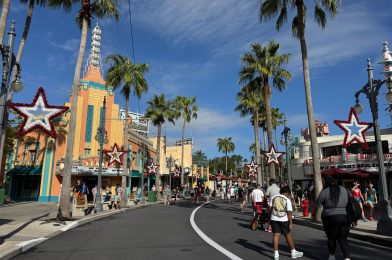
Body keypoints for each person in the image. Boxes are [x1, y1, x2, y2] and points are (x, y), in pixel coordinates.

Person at [316, 176, 351, 260]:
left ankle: (332, 256)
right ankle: (347, 258)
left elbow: (317, 204)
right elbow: (351, 202)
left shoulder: (324, 191)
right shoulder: (345, 189)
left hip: (329, 217)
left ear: (326, 182)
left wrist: (314, 214)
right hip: (344, 217)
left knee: (331, 238)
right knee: (343, 239)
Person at [269, 186, 303, 260]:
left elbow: (270, 209)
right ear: (287, 192)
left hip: (274, 218)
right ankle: (293, 252)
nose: (289, 195)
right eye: (289, 194)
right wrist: (290, 223)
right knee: (287, 235)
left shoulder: (273, 197)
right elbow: (289, 212)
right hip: (284, 219)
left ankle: (276, 254)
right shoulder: (287, 199)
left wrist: (270, 220)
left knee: (276, 235)